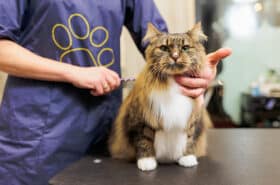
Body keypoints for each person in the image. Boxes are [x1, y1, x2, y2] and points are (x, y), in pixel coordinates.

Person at [0, 0, 231, 185]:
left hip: (103, 125)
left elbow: (160, 44)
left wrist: (194, 70)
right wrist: (73, 72)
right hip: (39, 131)